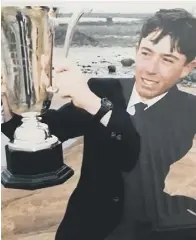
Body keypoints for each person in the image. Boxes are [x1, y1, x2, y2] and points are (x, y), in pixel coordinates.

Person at [1, 8, 196, 240]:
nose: (150, 69)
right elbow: (48, 130)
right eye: (146, 53)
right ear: (136, 50)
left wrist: (92, 103)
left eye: (167, 59)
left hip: (141, 228)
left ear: (187, 68)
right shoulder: (103, 89)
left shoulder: (188, 109)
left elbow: (139, 151)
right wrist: (12, 102)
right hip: (82, 225)